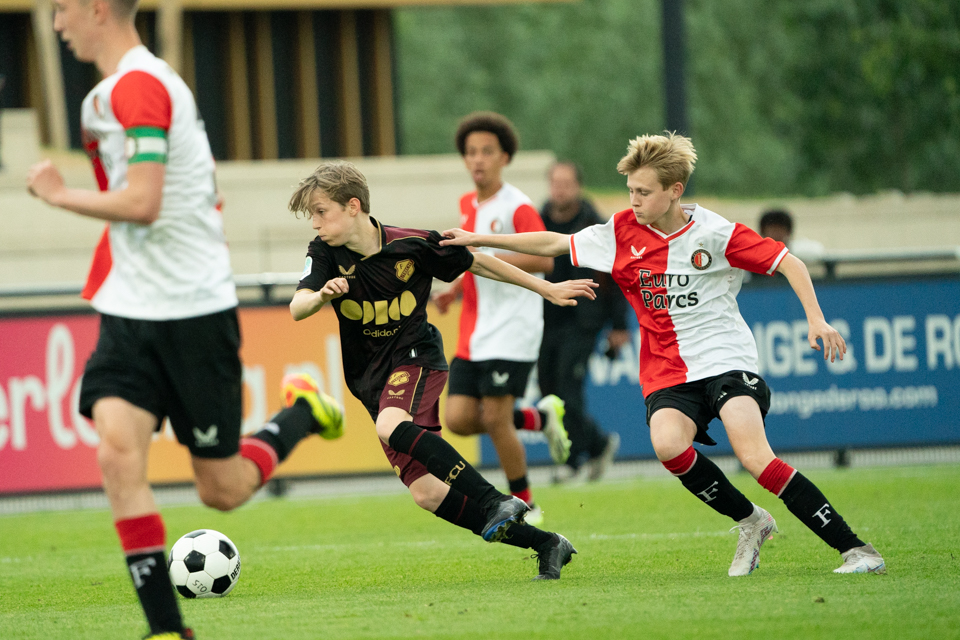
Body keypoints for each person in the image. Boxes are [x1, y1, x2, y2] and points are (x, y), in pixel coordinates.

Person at [25, 1, 343, 636]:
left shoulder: (140, 87)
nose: (56, 22)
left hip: (194, 312)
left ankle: (303, 412)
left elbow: (142, 203)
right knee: (118, 456)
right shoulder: (106, 97)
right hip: (130, 309)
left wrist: (59, 195)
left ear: (96, 8)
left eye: (61, 7)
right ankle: (169, 628)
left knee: (221, 490)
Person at [440, 132, 886, 577]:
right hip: (667, 371)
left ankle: (856, 549)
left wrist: (817, 319)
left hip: (725, 359)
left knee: (754, 457)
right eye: (631, 190)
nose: (633, 201)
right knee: (669, 446)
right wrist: (475, 240)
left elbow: (789, 261)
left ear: (676, 190)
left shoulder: (714, 233)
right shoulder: (620, 232)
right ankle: (751, 522)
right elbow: (553, 243)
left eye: (643, 192)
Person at [288, 160, 592, 580]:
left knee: (390, 426)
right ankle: (547, 543)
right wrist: (321, 294)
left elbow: (480, 263)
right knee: (428, 494)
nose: (316, 223)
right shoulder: (323, 254)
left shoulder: (412, 244)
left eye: (321, 211)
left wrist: (547, 287)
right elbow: (297, 306)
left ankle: (493, 501)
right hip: (370, 381)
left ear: (353, 206)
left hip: (417, 357)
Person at [431, 112, 571, 525]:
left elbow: (545, 257)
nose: (478, 160)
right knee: (456, 419)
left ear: (504, 157)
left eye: (487, 151)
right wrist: (454, 288)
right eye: (471, 152)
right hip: (475, 330)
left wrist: (487, 257)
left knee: (494, 417)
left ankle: (526, 505)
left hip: (513, 326)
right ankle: (539, 418)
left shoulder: (518, 205)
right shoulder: (466, 204)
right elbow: (470, 261)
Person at [538, 161, 629, 483]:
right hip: (546, 319)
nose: (560, 189)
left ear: (578, 186)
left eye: (566, 183)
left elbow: (615, 275)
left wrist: (620, 326)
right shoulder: (538, 221)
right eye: (555, 183)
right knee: (547, 390)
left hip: (584, 319)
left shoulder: (594, 224)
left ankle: (573, 460)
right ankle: (598, 444)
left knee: (567, 388)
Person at [759, 208, 826, 262]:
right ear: (763, 232)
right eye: (772, 230)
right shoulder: (757, 255)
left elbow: (819, 251)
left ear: (788, 232)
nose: (776, 234)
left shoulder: (798, 251)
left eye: (780, 230)